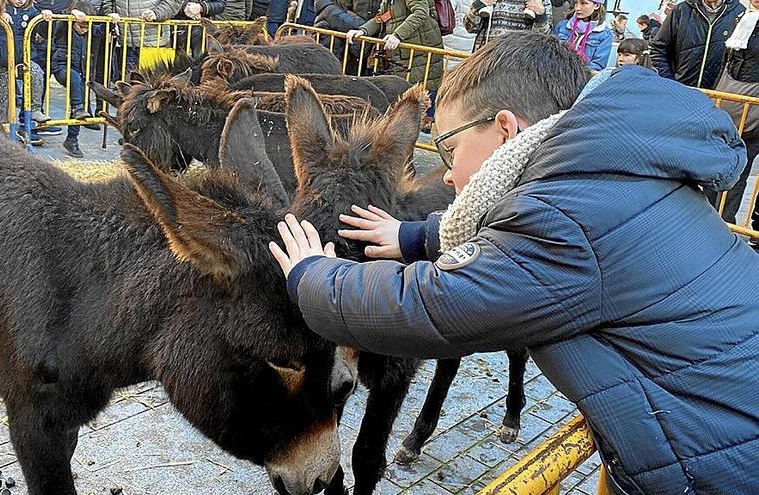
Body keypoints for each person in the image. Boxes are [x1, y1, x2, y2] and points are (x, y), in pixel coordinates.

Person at [269, 30, 759, 495]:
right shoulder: (612, 171)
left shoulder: (562, 218)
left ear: (504, 129)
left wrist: (314, 275)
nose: (445, 174)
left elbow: (434, 307)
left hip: (717, 468)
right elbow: (526, 238)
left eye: (449, 146)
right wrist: (415, 236)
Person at [345, 0, 444, 129]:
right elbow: (384, 16)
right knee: (408, 90)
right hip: (406, 52)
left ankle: (423, 131)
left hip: (421, 49)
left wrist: (397, 35)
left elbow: (421, 12)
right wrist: (363, 31)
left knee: (423, 88)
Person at [710, 0, 759, 240]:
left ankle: (723, 227)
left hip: (753, 113)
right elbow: (725, 63)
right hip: (729, 103)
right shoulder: (743, 18)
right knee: (718, 164)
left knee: (741, 168)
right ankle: (710, 221)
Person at [650, 0, 745, 88]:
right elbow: (658, 49)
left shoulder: (740, 14)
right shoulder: (681, 10)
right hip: (680, 91)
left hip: (718, 96)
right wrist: (670, 82)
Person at [50, 0, 101, 157]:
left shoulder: (90, 31)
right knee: (76, 89)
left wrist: (112, 20)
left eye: (87, 27)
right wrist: (71, 15)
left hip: (80, 72)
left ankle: (72, 139)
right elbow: (60, 22)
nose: (84, 30)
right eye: (81, 26)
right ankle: (77, 108)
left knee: (79, 96)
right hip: (61, 67)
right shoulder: (65, 26)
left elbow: (102, 30)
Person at [463, 0, 552, 51]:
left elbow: (543, 39)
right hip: (486, 59)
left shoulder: (541, 1)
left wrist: (541, 14)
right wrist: (479, 4)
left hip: (521, 63)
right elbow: (469, 27)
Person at [553, 0, 612, 70]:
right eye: (576, 3)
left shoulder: (604, 35)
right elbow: (549, 53)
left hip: (581, 78)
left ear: (597, 6)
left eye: (583, 3)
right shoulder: (562, 26)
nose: (577, 8)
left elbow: (597, 66)